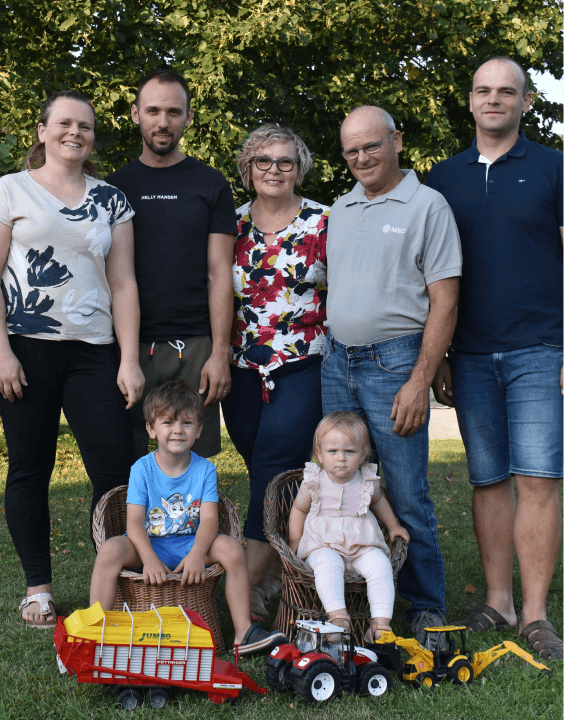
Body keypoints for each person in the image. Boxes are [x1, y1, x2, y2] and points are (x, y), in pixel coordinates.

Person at [427, 56, 564, 660]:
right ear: (471, 100)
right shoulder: (441, 178)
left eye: (507, 91)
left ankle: (534, 615)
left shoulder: (555, 168)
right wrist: (440, 355)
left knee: (537, 478)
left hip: (541, 347)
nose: (494, 100)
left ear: (526, 102)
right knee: (487, 480)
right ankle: (498, 601)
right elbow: (431, 275)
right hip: (471, 353)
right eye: (483, 90)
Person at [0, 90, 145, 628]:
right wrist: (2, 353)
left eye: (85, 126)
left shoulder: (111, 200)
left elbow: (123, 282)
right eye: (64, 123)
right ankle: (38, 590)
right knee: (29, 468)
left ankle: (115, 585)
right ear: (42, 131)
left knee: (114, 473)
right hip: (25, 349)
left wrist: (128, 360)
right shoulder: (9, 190)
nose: (75, 133)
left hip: (94, 353)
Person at [322, 105, 462, 645]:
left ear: (396, 141)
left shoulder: (428, 206)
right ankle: (352, 602)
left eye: (371, 145)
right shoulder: (341, 208)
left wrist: (420, 379)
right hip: (337, 363)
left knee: (405, 490)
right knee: (343, 482)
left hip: (395, 364)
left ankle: (426, 605)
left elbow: (444, 301)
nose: (361, 158)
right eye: (351, 150)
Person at [90, 381, 287, 655]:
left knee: (232, 549)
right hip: (149, 544)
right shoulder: (142, 469)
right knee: (110, 550)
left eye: (187, 422)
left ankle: (244, 633)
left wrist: (197, 554)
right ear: (151, 429)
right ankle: (95, 631)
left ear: (199, 429)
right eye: (168, 422)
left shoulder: (205, 470)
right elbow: (133, 523)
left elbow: (209, 521)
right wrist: (149, 559)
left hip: (191, 544)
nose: (178, 430)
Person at [221, 123, 329, 618]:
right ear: (248, 170)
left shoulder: (324, 222)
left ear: (299, 169)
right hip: (242, 367)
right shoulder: (230, 225)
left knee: (271, 466)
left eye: (286, 161)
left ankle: (245, 589)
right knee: (265, 470)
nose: (274, 170)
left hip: (303, 362)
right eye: (263, 161)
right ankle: (285, 573)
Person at [106, 68, 236, 461]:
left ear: (188, 117)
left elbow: (220, 274)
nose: (163, 122)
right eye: (153, 111)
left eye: (174, 112)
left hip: (194, 346)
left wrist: (219, 353)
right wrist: (125, 355)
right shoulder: (113, 188)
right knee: (124, 462)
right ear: (135, 114)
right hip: (127, 346)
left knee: (191, 464)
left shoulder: (211, 184)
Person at [288, 412, 410, 641]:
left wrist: (393, 525)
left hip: (362, 545)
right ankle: (338, 617)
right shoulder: (314, 481)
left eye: (350, 452)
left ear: (363, 454)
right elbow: (299, 509)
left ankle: (380, 624)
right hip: (323, 544)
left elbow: (379, 502)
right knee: (327, 563)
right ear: (319, 454)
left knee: (380, 564)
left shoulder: (367, 481)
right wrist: (295, 538)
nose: (341, 458)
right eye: (333, 451)